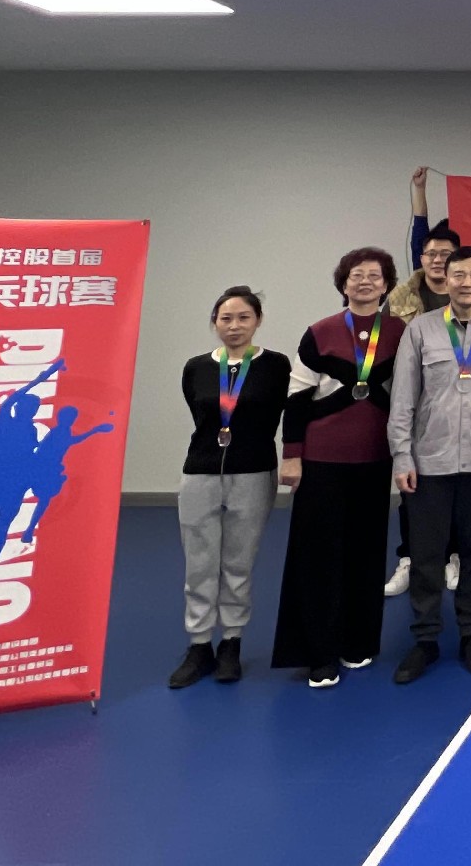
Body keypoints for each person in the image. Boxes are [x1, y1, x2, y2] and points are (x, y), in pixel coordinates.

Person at [271, 250, 404, 688]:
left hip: (375, 459)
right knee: (318, 556)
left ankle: (357, 641)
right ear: (343, 284)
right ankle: (319, 653)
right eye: (355, 275)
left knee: (367, 552)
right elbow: (296, 398)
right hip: (321, 460)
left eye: (374, 276)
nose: (364, 282)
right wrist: (292, 454)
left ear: (386, 285)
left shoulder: (401, 333)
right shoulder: (320, 332)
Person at [388, 246, 471, 683]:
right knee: (426, 556)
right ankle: (425, 638)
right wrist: (402, 455)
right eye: (458, 275)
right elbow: (403, 398)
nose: (466, 283)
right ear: (445, 280)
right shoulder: (420, 329)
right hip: (430, 461)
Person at [170, 287, 291, 689]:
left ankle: (231, 643)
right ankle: (199, 644)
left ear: (257, 321)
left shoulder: (276, 365)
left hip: (253, 472)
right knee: (199, 564)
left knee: (239, 563)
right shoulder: (196, 367)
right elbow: (199, 413)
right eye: (226, 318)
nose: (234, 326)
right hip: (200, 472)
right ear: (214, 323)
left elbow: (283, 413)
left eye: (243, 317)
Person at [384, 218, 462, 598]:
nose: (436, 259)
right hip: (414, 404)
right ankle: (409, 557)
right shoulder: (400, 300)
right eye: (430, 253)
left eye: (445, 254)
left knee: (457, 490)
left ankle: (452, 555)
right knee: (412, 487)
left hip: (459, 406)